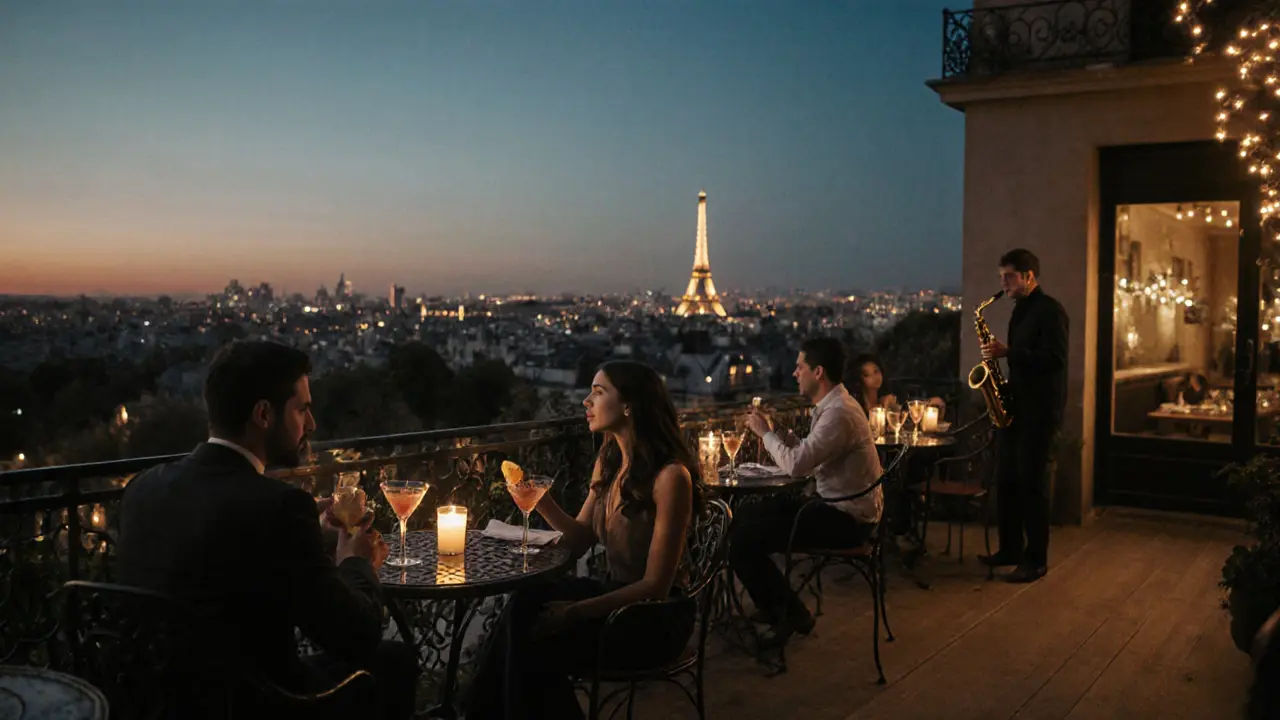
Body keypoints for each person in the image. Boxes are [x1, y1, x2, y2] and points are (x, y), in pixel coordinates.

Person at [117, 340, 419, 718]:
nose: (311, 424)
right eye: (302, 409)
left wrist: (309, 531)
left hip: (158, 702)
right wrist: (355, 562)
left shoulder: (143, 488)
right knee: (395, 661)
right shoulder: (277, 507)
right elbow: (354, 636)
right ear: (263, 414)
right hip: (257, 702)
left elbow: (222, 553)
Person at [467, 360, 701, 720]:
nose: (585, 402)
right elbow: (577, 540)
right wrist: (538, 500)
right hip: (614, 597)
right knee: (526, 604)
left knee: (531, 642)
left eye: (598, 391)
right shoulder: (609, 463)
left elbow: (655, 586)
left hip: (655, 619)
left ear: (629, 405)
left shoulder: (671, 477)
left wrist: (572, 613)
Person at [737, 337, 883, 646]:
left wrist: (764, 433)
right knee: (746, 516)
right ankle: (775, 602)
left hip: (848, 520)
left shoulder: (839, 413)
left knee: (743, 539)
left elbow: (797, 466)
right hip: (836, 507)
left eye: (799, 367)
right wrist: (778, 432)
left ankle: (788, 612)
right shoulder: (835, 406)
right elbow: (809, 452)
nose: (794, 373)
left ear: (818, 372)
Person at [978, 248, 1069, 583]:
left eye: (1009, 276)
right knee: (1008, 482)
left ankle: (1037, 560)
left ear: (1029, 276)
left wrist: (1009, 352)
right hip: (1017, 408)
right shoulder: (1020, 311)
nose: (1003, 283)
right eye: (1001, 276)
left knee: (1033, 486)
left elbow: (1055, 360)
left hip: (1040, 412)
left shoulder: (1050, 311)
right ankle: (1010, 549)